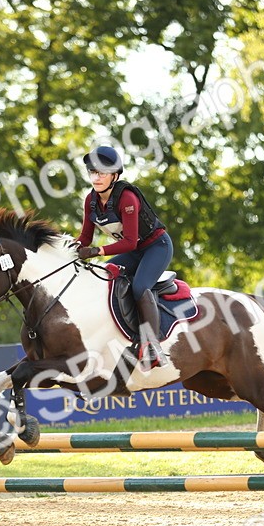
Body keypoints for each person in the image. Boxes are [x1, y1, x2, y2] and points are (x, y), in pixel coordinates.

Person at [75, 145, 172, 369]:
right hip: (134, 251)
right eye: (92, 172)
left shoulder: (127, 198)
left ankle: (153, 345)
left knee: (139, 287)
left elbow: (130, 242)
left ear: (114, 176)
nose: (96, 178)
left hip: (156, 246)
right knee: (103, 278)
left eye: (102, 173)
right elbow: (85, 238)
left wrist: (98, 252)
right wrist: (67, 248)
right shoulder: (90, 201)